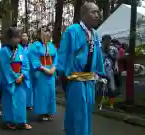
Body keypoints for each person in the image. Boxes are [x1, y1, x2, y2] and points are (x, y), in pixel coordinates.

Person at [57, 2, 105, 135]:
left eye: (98, 12)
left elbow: (98, 56)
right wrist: (63, 75)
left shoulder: (95, 34)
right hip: (76, 79)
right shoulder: (72, 30)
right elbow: (63, 54)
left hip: (89, 81)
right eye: (93, 12)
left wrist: (100, 74)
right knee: (78, 113)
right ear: (83, 14)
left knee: (87, 112)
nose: (98, 15)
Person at [0, 27, 32, 130]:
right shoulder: (4, 51)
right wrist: (15, 77)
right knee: (10, 100)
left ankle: (22, 121)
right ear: (9, 38)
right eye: (14, 38)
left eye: (18, 38)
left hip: (20, 78)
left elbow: (25, 64)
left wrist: (22, 75)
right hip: (10, 80)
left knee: (21, 100)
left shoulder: (21, 49)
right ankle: (10, 121)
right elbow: (5, 67)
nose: (17, 40)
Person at [29, 28, 57, 121]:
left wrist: (53, 68)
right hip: (41, 72)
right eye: (46, 33)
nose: (48, 34)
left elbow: (56, 58)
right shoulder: (35, 46)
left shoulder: (51, 46)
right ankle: (42, 113)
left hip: (51, 72)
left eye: (49, 33)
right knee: (42, 93)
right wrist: (44, 69)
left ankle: (49, 112)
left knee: (51, 92)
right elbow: (34, 60)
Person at [20, 32, 33, 110]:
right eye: (23, 36)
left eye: (26, 36)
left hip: (30, 70)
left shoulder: (31, 47)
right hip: (21, 69)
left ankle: (29, 103)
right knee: (22, 87)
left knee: (29, 87)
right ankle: (22, 103)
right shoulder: (18, 48)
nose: (24, 37)